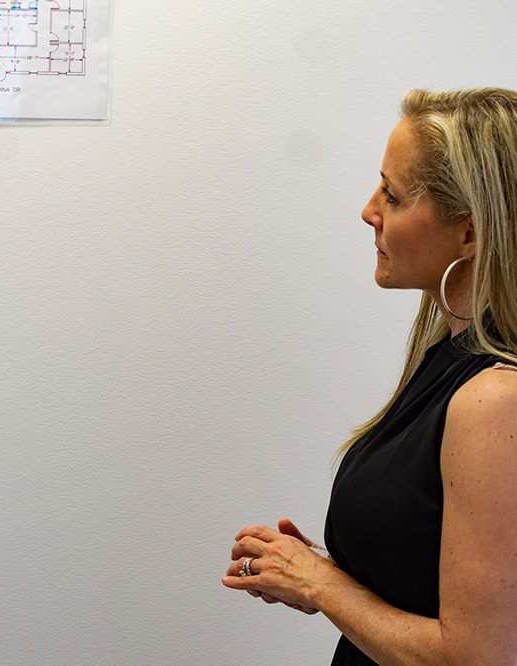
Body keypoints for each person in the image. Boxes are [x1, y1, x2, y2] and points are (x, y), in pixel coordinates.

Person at [223, 88, 517, 665]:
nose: (369, 210)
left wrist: (320, 584)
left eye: (394, 194)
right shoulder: (452, 359)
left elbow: (478, 657)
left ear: (471, 233)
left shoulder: (494, 400)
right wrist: (326, 576)